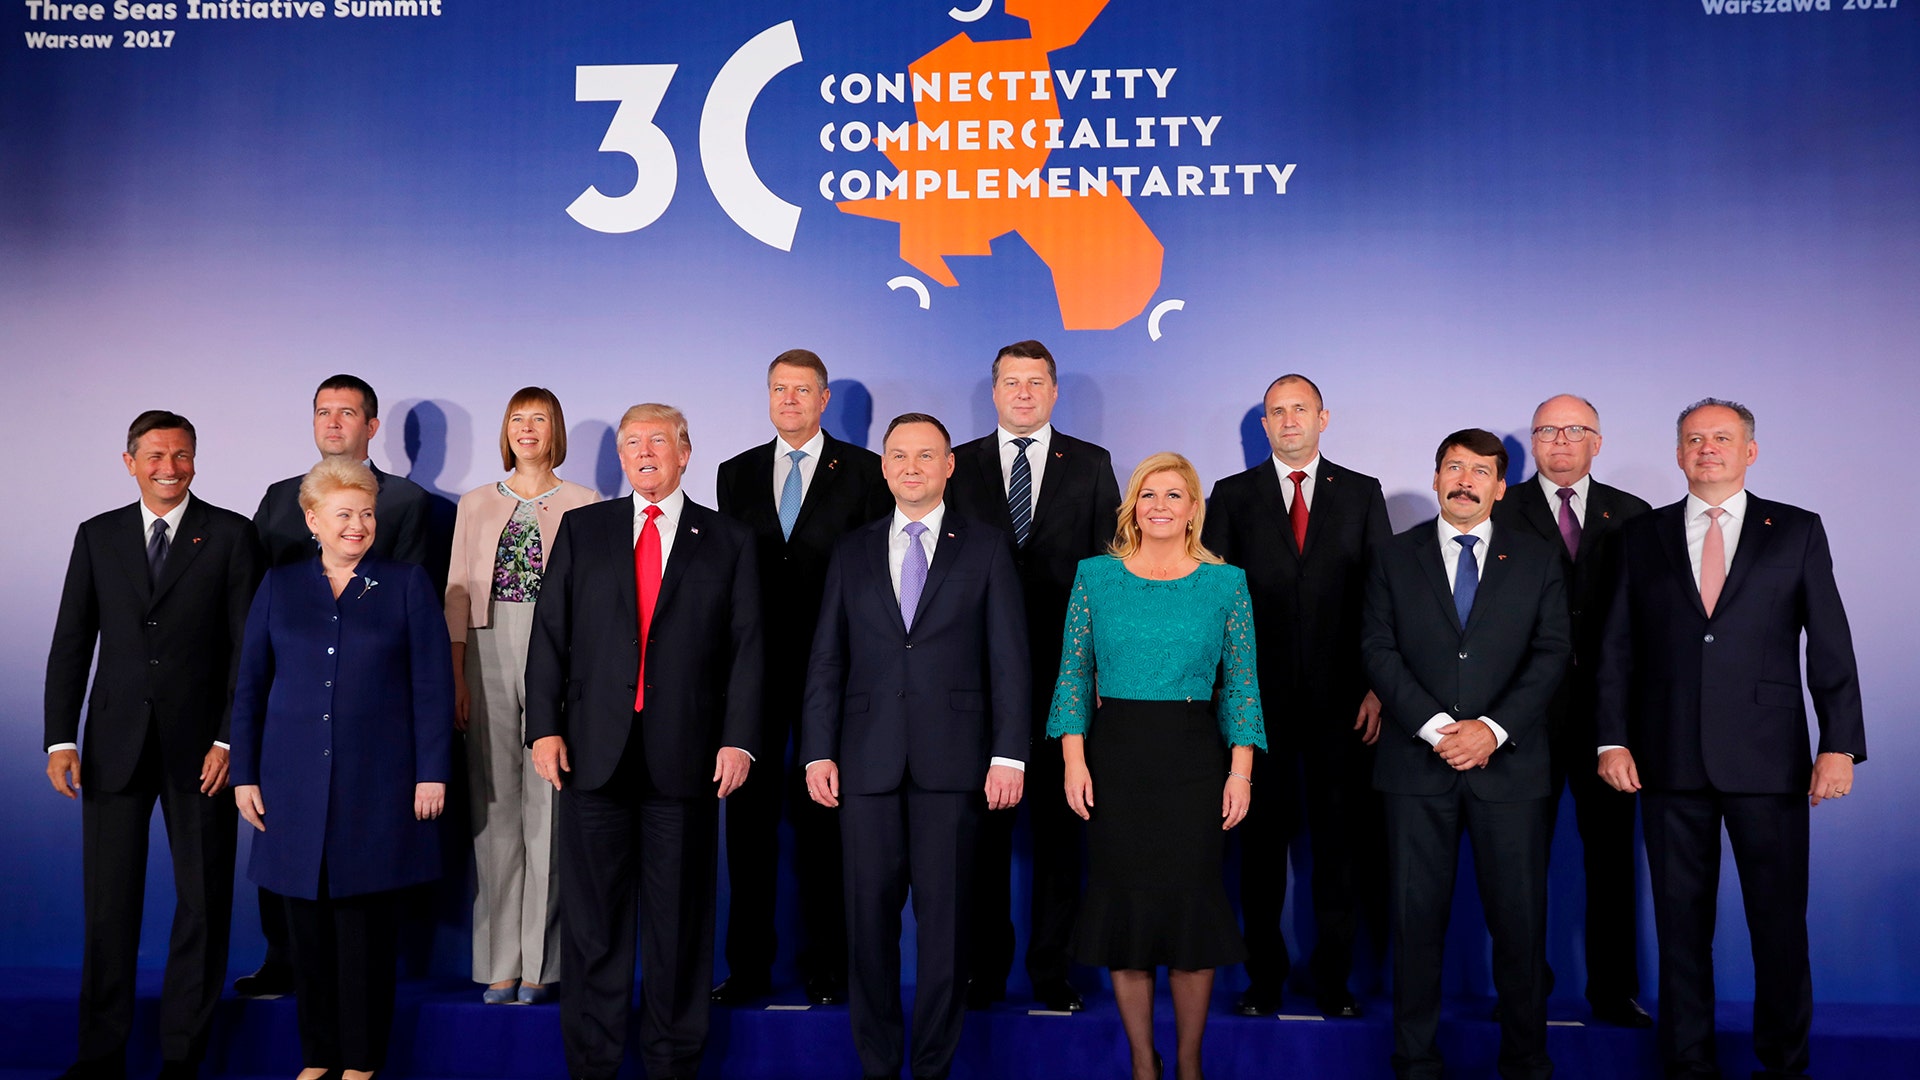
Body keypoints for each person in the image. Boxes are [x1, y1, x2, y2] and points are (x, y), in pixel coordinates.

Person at [1597, 398, 1865, 1080]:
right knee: (1681, 932)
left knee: (1777, 927)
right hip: (1666, 758)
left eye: (1722, 438)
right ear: (1678, 453)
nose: (1707, 448)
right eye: (1694, 439)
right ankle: (1688, 1065)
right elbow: (1616, 649)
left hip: (1769, 762)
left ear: (1750, 451)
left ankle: (1783, 1064)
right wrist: (1611, 739)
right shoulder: (1640, 537)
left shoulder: (1797, 531)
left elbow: (1830, 643)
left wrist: (1839, 743)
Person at [524, 403, 761, 1080]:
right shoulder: (582, 529)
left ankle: (672, 1062)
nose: (645, 451)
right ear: (620, 459)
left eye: (659, 440)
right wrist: (543, 727)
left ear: (686, 453)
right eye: (632, 443)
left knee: (679, 929)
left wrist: (739, 741)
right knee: (593, 929)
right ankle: (595, 1064)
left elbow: (749, 649)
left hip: (685, 759)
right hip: (593, 757)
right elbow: (550, 637)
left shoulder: (728, 539)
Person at [802, 413, 1028, 1080]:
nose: (910, 467)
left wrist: (1008, 753)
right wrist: (818, 749)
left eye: (925, 456)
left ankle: (931, 1068)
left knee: (947, 936)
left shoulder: (985, 547)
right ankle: (878, 1067)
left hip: (955, 766)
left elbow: (1009, 660)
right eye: (898, 455)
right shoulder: (852, 550)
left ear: (948, 465)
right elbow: (826, 660)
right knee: (866, 933)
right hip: (864, 766)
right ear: (883, 465)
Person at [44, 411, 261, 1080]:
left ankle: (181, 1056)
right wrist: (59, 738)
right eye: (157, 455)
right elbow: (73, 641)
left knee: (202, 903)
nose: (170, 467)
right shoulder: (98, 535)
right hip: (112, 745)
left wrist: (230, 738)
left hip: (203, 752)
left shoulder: (230, 534)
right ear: (129, 460)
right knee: (109, 905)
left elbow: (246, 652)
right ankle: (100, 1055)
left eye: (182, 455)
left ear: (197, 459)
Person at [228, 458, 453, 1080]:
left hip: (377, 787)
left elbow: (432, 687)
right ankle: (318, 1059)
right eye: (344, 515)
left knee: (365, 940)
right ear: (312, 521)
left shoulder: (406, 583)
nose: (357, 526)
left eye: (366, 514)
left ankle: (362, 1063)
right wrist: (244, 773)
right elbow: (249, 687)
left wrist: (431, 771)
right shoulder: (279, 585)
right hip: (291, 787)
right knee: (307, 936)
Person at [1049, 451, 1265, 1080]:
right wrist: (1073, 761)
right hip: (1115, 761)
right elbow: (1073, 677)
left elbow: (1242, 686)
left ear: (1194, 508)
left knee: (1193, 913)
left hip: (1197, 761)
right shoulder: (1096, 577)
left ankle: (1190, 1066)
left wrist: (1240, 771)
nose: (1161, 506)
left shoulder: (1227, 584)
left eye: (1175, 495)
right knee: (1128, 916)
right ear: (1132, 507)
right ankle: (1145, 1064)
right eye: (1149, 495)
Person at [1362, 429, 1570, 1080]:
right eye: (1454, 467)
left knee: (1520, 927)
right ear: (1435, 477)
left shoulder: (1538, 559)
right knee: (1414, 924)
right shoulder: (1393, 557)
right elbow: (1377, 649)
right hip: (1414, 769)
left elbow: (1553, 651)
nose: (1465, 480)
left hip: (1510, 769)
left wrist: (1492, 730)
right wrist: (1433, 728)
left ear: (1500, 488)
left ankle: (1526, 1061)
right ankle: (1416, 1062)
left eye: (1480, 472)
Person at [237, 372, 434, 998]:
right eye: (323, 411)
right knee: (288, 858)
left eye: (346, 413)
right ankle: (284, 963)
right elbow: (259, 650)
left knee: (362, 896)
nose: (333, 422)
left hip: (373, 721)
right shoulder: (277, 498)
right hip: (295, 723)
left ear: (371, 426)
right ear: (312, 517)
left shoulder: (406, 506)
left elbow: (417, 646)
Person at [1202, 373, 1390, 1019]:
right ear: (1264, 423)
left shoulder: (1362, 494)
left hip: (1345, 709)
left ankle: (1334, 983)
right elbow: (1215, 605)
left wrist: (1375, 686)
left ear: (1323, 417)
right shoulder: (1230, 496)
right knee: (1259, 854)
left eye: (1299, 409)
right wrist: (1227, 699)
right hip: (1258, 710)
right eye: (1275, 412)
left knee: (1339, 852)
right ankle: (1263, 983)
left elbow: (1381, 600)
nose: (1288, 420)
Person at [712, 349, 891, 1007]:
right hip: (752, 669)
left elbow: (874, 568)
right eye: (779, 390)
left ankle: (829, 968)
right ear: (768, 398)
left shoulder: (866, 472)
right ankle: (748, 969)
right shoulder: (736, 473)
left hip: (836, 667)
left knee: (827, 824)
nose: (790, 400)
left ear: (824, 401)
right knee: (748, 829)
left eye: (802, 390)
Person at [947, 339, 1118, 1013]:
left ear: (1053, 393)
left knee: (1057, 839)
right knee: (980, 844)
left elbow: (1108, 571)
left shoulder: (1093, 464)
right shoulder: (957, 466)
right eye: (1011, 382)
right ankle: (983, 974)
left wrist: (1101, 668)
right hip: (973, 684)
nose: (1023, 393)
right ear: (994, 392)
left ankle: (1052, 972)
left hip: (1063, 681)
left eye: (1036, 382)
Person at [1489, 394, 1652, 1027]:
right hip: (1521, 716)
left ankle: (1614, 991)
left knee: (1611, 863)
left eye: (1573, 430)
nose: (1559, 441)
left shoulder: (1634, 516)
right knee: (1517, 863)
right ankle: (1521, 990)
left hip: (1610, 721)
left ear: (1598, 441)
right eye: (1546, 431)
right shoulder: (1504, 509)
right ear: (1531, 441)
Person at [444, 386, 599, 1004]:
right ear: (505, 431)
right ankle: (498, 960)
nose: (527, 429)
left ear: (554, 429)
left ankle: (543, 962)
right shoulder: (475, 502)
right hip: (484, 645)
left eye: (539, 419)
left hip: (558, 651)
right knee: (494, 806)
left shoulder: (586, 503)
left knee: (550, 805)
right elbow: (456, 590)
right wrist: (455, 671)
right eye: (517, 419)